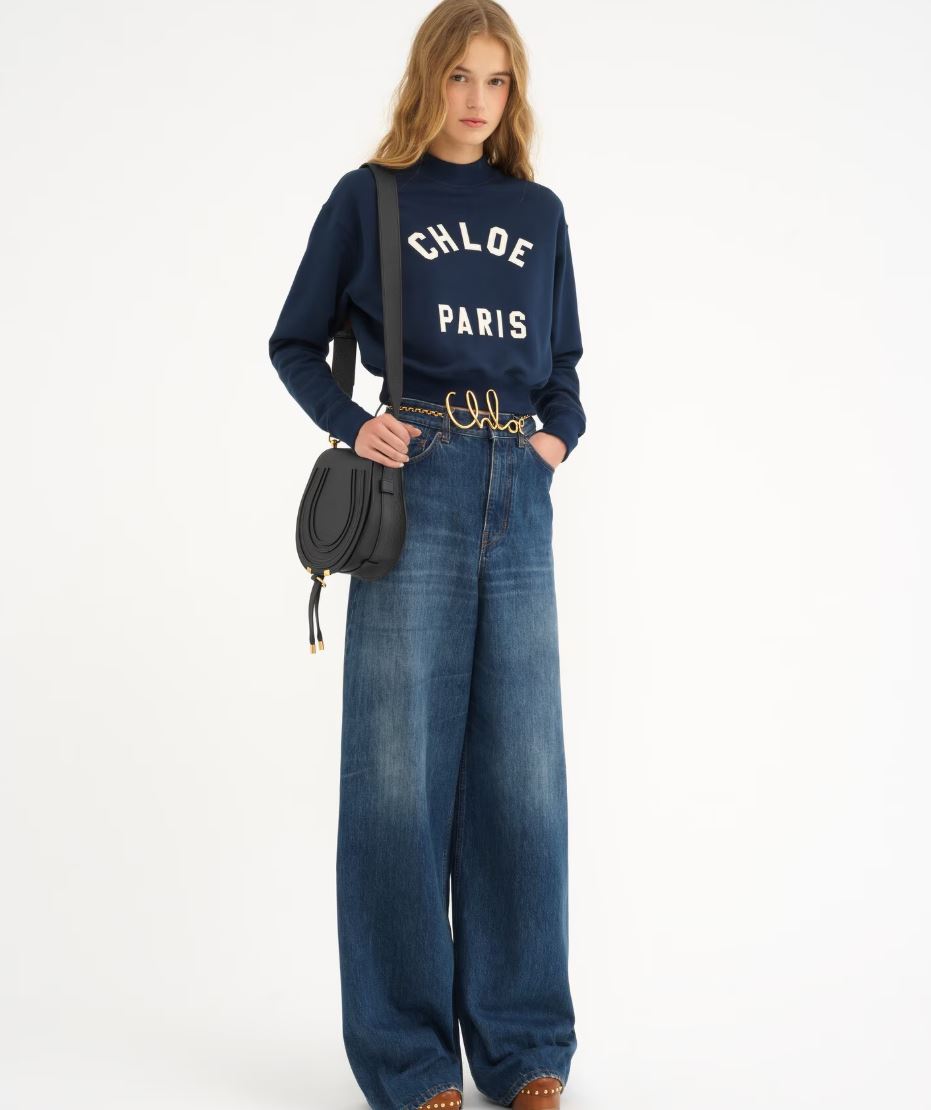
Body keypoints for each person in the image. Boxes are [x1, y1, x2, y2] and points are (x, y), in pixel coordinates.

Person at [268, 3, 585, 1107]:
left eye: (496, 81)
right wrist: (355, 424)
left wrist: (553, 442)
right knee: (398, 778)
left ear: (513, 93)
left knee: (522, 777)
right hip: (418, 482)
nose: (476, 101)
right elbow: (293, 341)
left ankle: (525, 1048)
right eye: (458, 77)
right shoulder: (371, 199)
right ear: (427, 82)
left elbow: (565, 369)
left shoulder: (538, 213)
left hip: (519, 489)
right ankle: (408, 1061)